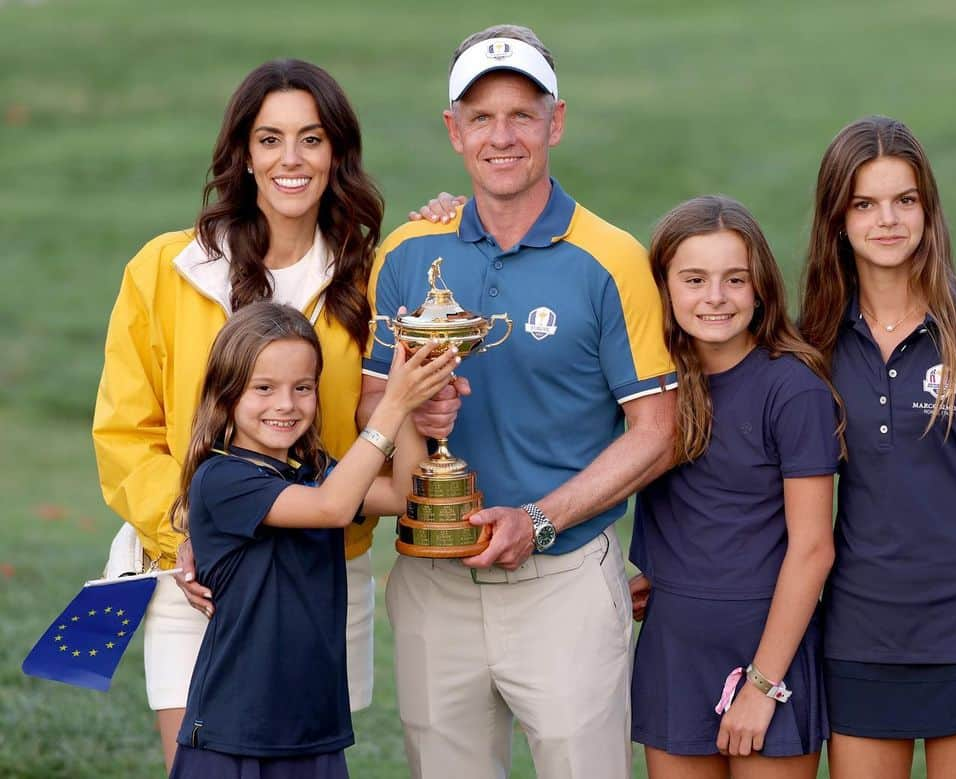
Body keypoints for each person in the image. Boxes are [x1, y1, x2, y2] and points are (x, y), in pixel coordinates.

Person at [362, 24, 678, 779]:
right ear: (453, 131)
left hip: (563, 579)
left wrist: (538, 521)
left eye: (522, 114)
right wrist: (413, 412)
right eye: (480, 116)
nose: (501, 136)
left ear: (555, 122)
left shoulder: (613, 259)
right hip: (433, 577)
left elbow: (656, 431)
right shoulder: (408, 252)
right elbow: (370, 399)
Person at [92, 59, 384, 772]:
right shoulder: (166, 269)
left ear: (337, 154)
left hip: (320, 582)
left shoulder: (372, 278)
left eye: (312, 140)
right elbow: (126, 433)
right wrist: (187, 530)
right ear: (243, 154)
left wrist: (444, 220)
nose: (291, 159)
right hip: (198, 586)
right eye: (270, 138)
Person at [799, 115, 956, 779]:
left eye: (904, 200)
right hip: (859, 637)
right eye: (865, 203)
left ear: (928, 211)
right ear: (837, 218)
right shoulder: (812, 345)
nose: (888, 220)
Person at [167, 302, 458, 778]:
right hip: (235, 729)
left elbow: (407, 494)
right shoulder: (222, 479)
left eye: (302, 388)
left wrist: (406, 405)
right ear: (227, 395)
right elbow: (332, 509)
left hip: (311, 724)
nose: (286, 404)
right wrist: (392, 407)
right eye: (264, 388)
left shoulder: (313, 470)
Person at [628, 196, 838, 779]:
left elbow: (813, 547)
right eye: (693, 280)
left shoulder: (792, 390)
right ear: (664, 288)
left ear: (760, 287)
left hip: (768, 649)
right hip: (674, 646)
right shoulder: (654, 384)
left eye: (734, 279)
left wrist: (762, 685)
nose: (714, 297)